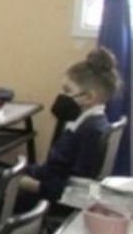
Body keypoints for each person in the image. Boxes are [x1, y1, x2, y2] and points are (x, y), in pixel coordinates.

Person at [21, 48, 117, 205]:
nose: (61, 95)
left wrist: (30, 184)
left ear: (89, 97)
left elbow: (77, 190)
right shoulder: (86, 123)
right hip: (44, 181)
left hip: (45, 197)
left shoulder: (92, 131)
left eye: (67, 90)